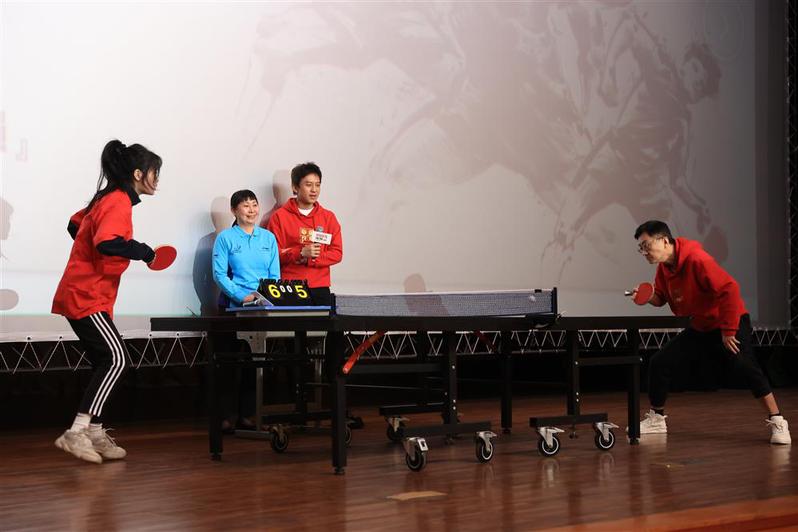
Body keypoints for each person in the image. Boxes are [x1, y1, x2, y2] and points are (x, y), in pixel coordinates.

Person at [52, 139, 163, 463]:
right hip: (86, 294)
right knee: (117, 359)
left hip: (90, 292)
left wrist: (87, 249)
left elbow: (75, 224)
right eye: (155, 172)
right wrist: (143, 251)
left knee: (106, 361)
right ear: (139, 174)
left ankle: (96, 432)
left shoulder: (106, 197)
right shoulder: (118, 201)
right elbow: (107, 242)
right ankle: (76, 432)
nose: (157, 179)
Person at [630, 220, 790, 444]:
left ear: (664, 240)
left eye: (646, 245)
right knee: (660, 362)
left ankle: (778, 420)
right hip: (702, 326)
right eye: (641, 248)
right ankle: (657, 419)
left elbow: (730, 289)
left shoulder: (697, 259)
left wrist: (729, 330)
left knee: (745, 365)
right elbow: (662, 298)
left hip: (729, 320)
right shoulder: (664, 269)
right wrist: (647, 296)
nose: (644, 252)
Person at [212, 190, 280, 431]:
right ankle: (225, 417)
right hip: (232, 308)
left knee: (255, 362)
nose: (251, 210)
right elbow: (219, 274)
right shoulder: (225, 238)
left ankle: (248, 415)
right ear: (234, 211)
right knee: (228, 363)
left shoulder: (268, 238)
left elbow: (275, 275)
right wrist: (242, 297)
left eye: (254, 205)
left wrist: (264, 296)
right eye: (245, 206)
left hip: (260, 308)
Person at [267, 162, 342, 306]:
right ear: (295, 187)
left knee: (325, 320)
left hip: (320, 287)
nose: (314, 190)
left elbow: (337, 253)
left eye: (317, 185)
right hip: (290, 286)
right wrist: (300, 253)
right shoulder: (279, 217)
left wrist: (311, 259)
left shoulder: (328, 217)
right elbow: (272, 255)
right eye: (308, 185)